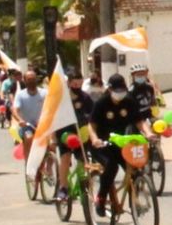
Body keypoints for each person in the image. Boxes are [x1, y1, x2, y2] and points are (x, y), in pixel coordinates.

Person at [87, 74, 156, 215]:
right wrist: (95, 139)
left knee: (134, 168)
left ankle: (134, 201)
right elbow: (91, 125)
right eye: (117, 91)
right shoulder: (101, 103)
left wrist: (148, 133)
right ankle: (101, 197)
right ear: (110, 90)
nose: (120, 94)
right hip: (102, 144)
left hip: (121, 142)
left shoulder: (129, 101)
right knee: (111, 166)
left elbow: (140, 121)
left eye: (122, 90)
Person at [55, 68, 94, 203]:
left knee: (84, 158)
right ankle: (63, 187)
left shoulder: (85, 98)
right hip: (65, 133)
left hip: (81, 132)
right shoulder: (62, 97)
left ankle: (83, 182)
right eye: (75, 84)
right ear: (69, 83)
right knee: (65, 157)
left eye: (80, 84)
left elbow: (93, 115)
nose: (77, 87)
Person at [12, 70, 47, 165]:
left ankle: (50, 168)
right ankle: (29, 164)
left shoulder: (44, 93)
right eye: (29, 79)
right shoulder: (20, 95)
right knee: (29, 137)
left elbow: (51, 107)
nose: (32, 81)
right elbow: (15, 110)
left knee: (52, 145)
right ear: (25, 81)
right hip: (27, 126)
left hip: (43, 125)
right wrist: (20, 120)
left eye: (33, 79)